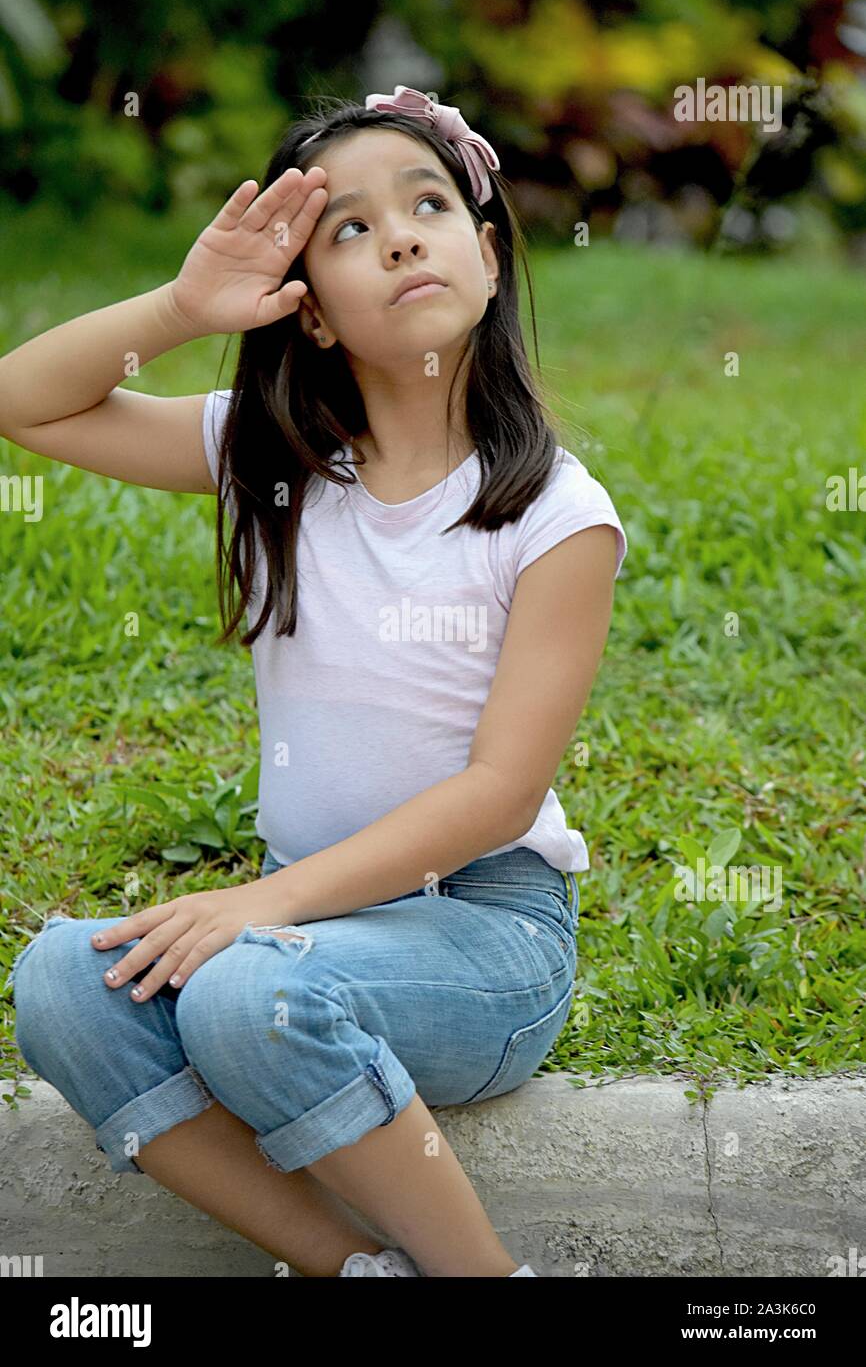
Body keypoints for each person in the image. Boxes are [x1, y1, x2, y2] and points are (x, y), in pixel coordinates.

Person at [2, 86, 627, 1278]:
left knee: (246, 995)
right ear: (316, 317)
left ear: (487, 261)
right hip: (305, 927)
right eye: (345, 228)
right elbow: (22, 399)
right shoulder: (273, 464)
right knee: (60, 985)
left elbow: (499, 796)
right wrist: (184, 308)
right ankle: (348, 1271)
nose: (396, 235)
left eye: (427, 204)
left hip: (485, 939)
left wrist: (265, 909)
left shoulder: (553, 514)